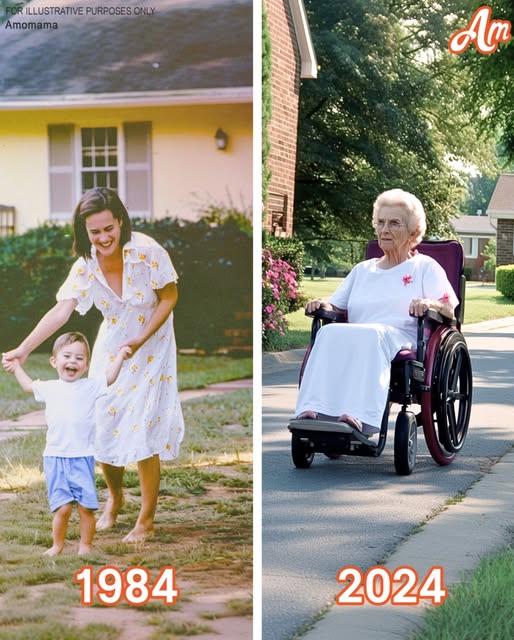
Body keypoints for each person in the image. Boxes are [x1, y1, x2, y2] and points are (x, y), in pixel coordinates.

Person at [2, 187, 185, 542]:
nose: (103, 238)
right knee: (102, 421)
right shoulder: (85, 266)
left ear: (120, 221)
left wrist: (141, 338)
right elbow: (61, 311)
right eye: (94, 232)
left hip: (153, 341)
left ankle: (145, 520)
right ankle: (114, 500)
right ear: (84, 232)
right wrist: (24, 349)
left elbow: (170, 297)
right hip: (114, 341)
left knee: (143, 425)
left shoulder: (148, 252)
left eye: (108, 229)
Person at [295, 188, 459, 434]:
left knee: (373, 334)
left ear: (412, 231)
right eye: (381, 223)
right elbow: (336, 306)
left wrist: (429, 303)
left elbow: (449, 310)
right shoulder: (363, 269)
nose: (385, 229)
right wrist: (322, 305)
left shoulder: (425, 267)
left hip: (401, 339)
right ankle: (312, 409)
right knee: (327, 334)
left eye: (394, 223)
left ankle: (362, 417)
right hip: (364, 335)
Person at [3, 332, 131, 556]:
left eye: (79, 358)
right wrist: (16, 368)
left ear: (86, 365)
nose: (73, 361)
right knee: (62, 508)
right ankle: (57, 545)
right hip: (55, 457)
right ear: (55, 362)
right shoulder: (50, 387)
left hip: (82, 457)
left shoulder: (90, 386)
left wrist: (120, 355)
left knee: (85, 508)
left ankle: (85, 546)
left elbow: (110, 377)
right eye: (67, 356)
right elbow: (28, 387)